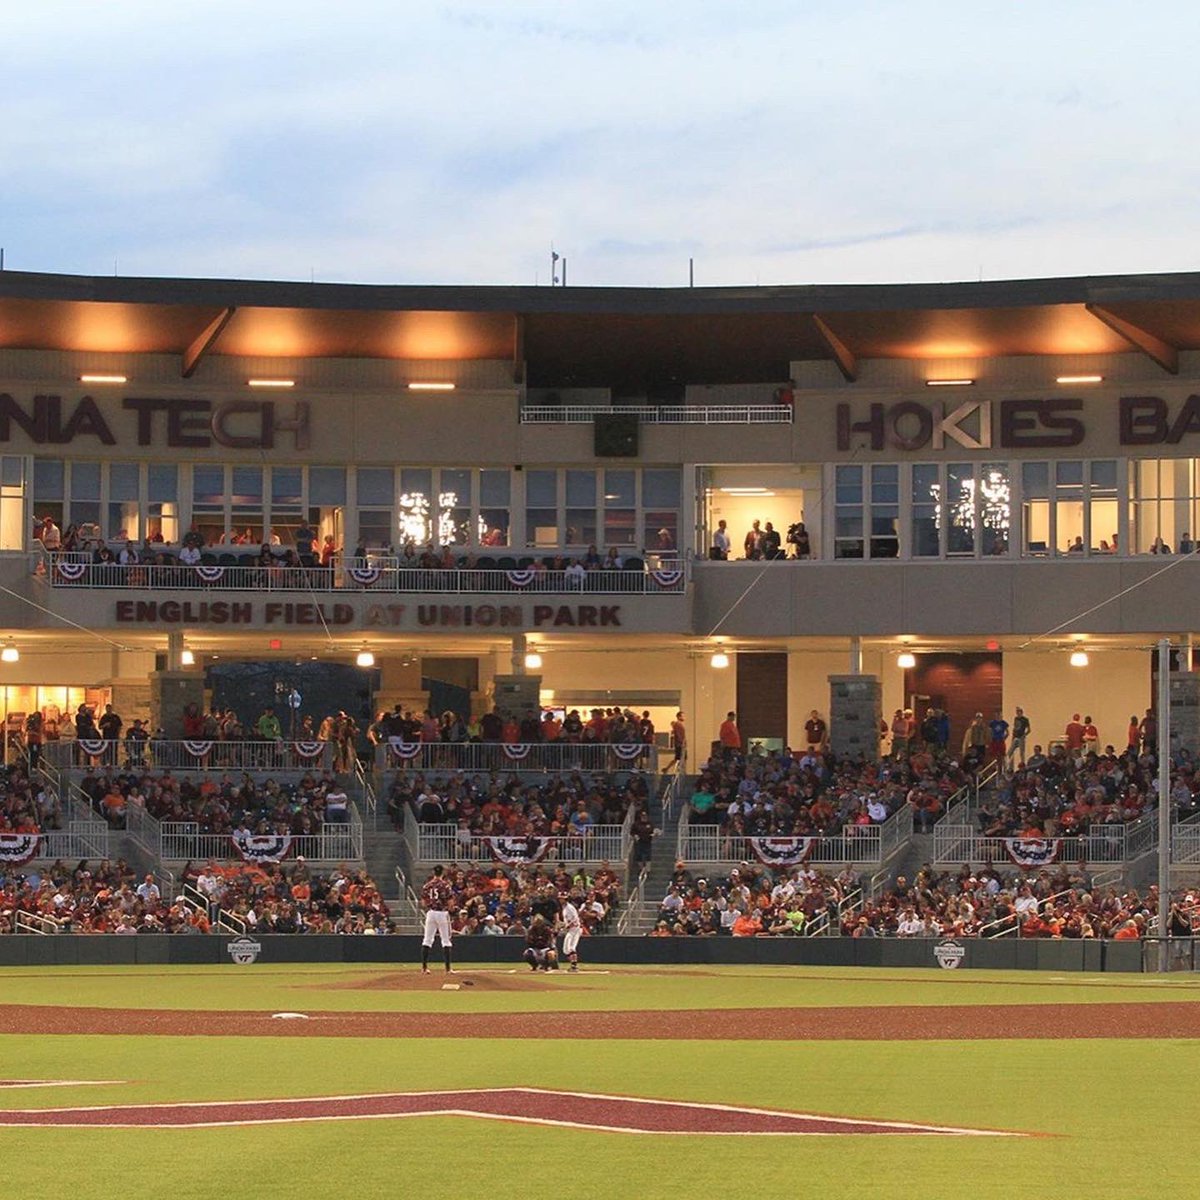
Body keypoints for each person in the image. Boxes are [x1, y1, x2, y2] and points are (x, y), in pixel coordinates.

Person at [419, 864, 455, 974]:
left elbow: (423, 903)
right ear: (442, 873)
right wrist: (452, 909)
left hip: (431, 913)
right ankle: (448, 969)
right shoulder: (445, 885)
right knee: (446, 940)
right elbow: (450, 903)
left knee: (427, 939)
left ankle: (424, 968)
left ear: (433, 872)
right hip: (442, 913)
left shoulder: (427, 885)